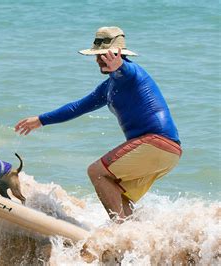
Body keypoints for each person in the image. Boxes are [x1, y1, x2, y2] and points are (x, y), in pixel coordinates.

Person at [14, 26, 182, 222]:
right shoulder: (108, 87)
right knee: (117, 193)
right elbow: (77, 107)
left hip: (156, 142)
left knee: (96, 172)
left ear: (118, 54)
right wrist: (41, 120)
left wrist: (119, 65)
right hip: (168, 152)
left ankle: (119, 231)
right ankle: (134, 239)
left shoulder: (131, 73)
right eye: (97, 55)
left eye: (103, 55)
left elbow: (125, 70)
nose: (97, 59)